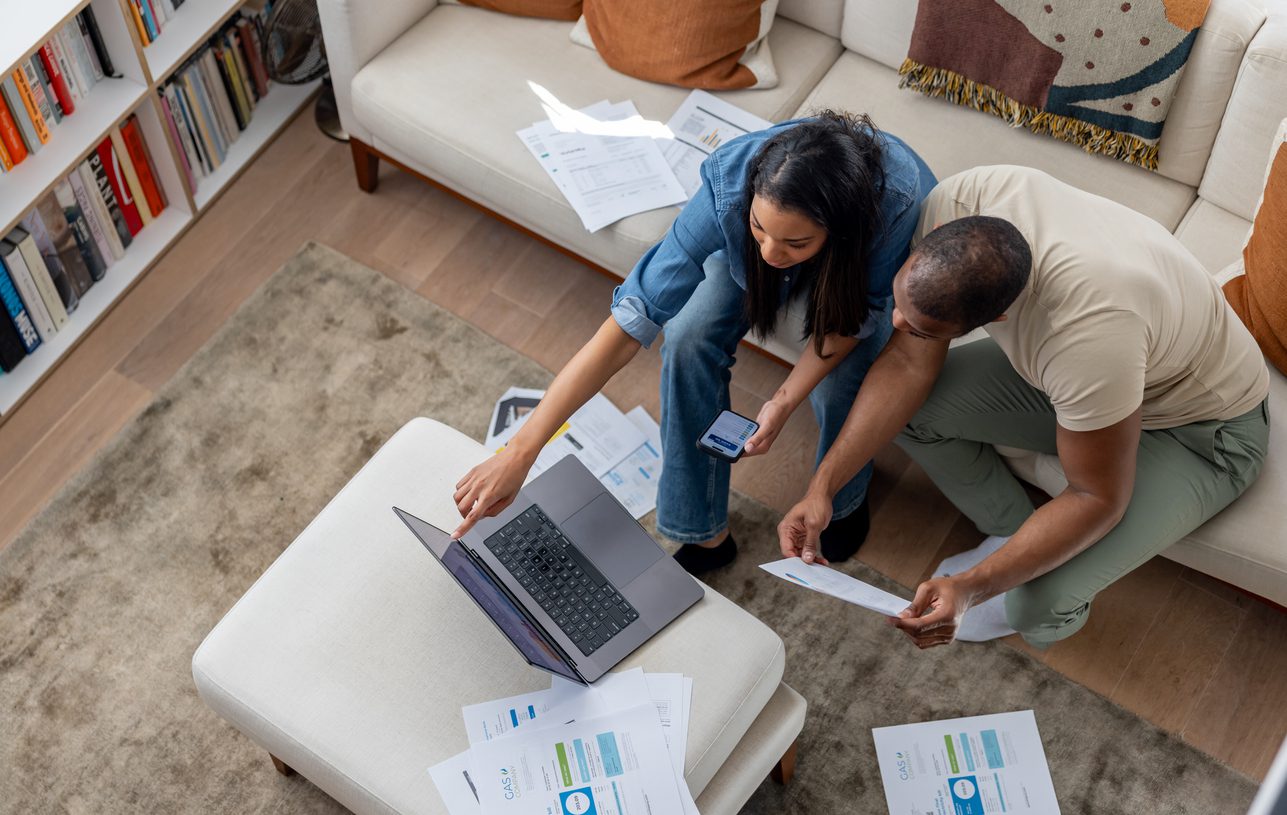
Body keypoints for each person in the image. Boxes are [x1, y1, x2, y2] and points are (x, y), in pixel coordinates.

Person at [778, 164, 1270, 647]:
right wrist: (824, 485)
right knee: (915, 412)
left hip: (1202, 428)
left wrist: (972, 588)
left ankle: (1025, 583)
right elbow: (907, 365)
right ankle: (1011, 533)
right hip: (1115, 375)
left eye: (924, 328)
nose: (898, 326)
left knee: (1037, 605)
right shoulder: (965, 200)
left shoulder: (1085, 338)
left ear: (999, 315)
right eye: (898, 304)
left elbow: (1095, 498)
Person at [452, 111, 937, 574]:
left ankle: (842, 498)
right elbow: (629, 321)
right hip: (790, 230)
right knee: (687, 334)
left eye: (793, 244)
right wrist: (520, 452)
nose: (769, 254)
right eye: (759, 228)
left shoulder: (893, 203)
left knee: (843, 380)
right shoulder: (729, 184)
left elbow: (849, 322)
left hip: (860, 268)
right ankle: (701, 531)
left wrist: (785, 400)